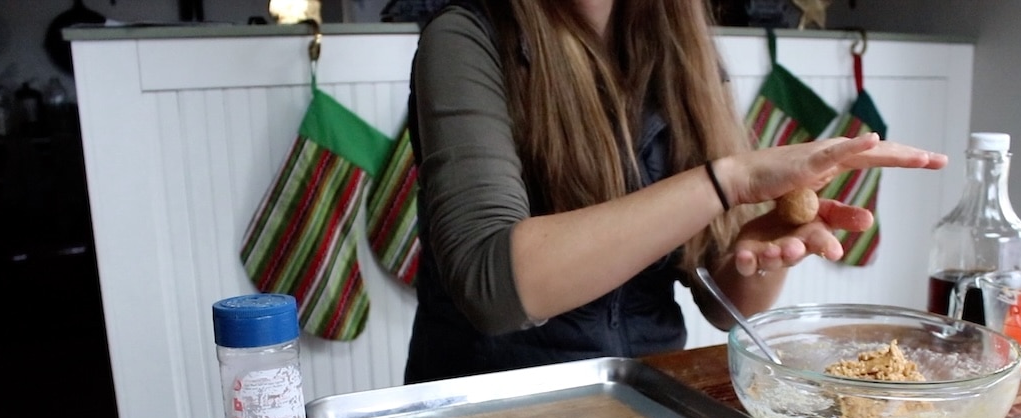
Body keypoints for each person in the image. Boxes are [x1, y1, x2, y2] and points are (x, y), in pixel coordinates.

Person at [402, 0, 947, 384]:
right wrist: (726, 181)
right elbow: (491, 285)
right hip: (486, 414)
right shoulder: (464, 40)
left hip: (645, 400)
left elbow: (726, 306)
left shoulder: (685, 57)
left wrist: (765, 246)